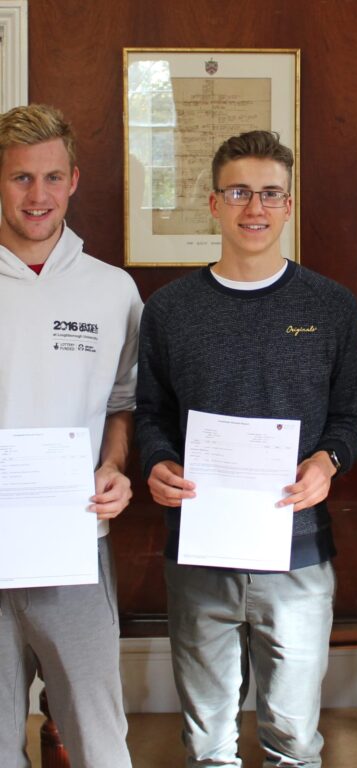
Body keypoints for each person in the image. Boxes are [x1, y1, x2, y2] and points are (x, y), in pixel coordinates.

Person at [135, 130, 357, 768]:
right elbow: (150, 413)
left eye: (270, 193)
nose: (254, 207)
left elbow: (352, 416)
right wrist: (156, 462)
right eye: (238, 192)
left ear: (289, 205)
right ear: (214, 204)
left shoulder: (332, 306)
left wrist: (328, 461)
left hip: (297, 553)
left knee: (292, 740)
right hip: (200, 549)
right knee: (208, 742)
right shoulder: (169, 310)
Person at [0, 104, 140, 767]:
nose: (38, 195)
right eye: (21, 177)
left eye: (52, 177)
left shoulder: (112, 291)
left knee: (97, 742)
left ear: (74, 180)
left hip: (74, 544)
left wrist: (114, 466)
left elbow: (123, 402)